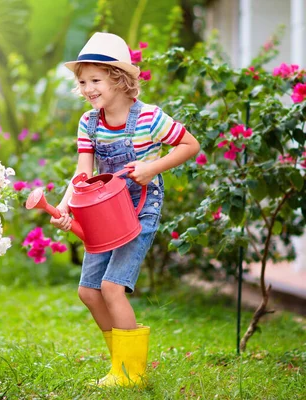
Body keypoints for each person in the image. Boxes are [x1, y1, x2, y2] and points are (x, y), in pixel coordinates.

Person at [50, 32, 200, 388]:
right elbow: (82, 173)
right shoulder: (89, 123)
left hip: (140, 208)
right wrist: (64, 204)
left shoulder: (149, 118)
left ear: (119, 79)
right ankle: (121, 365)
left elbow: (190, 144)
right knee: (89, 291)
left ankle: (131, 374)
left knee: (112, 288)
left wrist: (152, 167)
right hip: (102, 209)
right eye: (83, 81)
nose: (87, 88)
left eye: (95, 80)